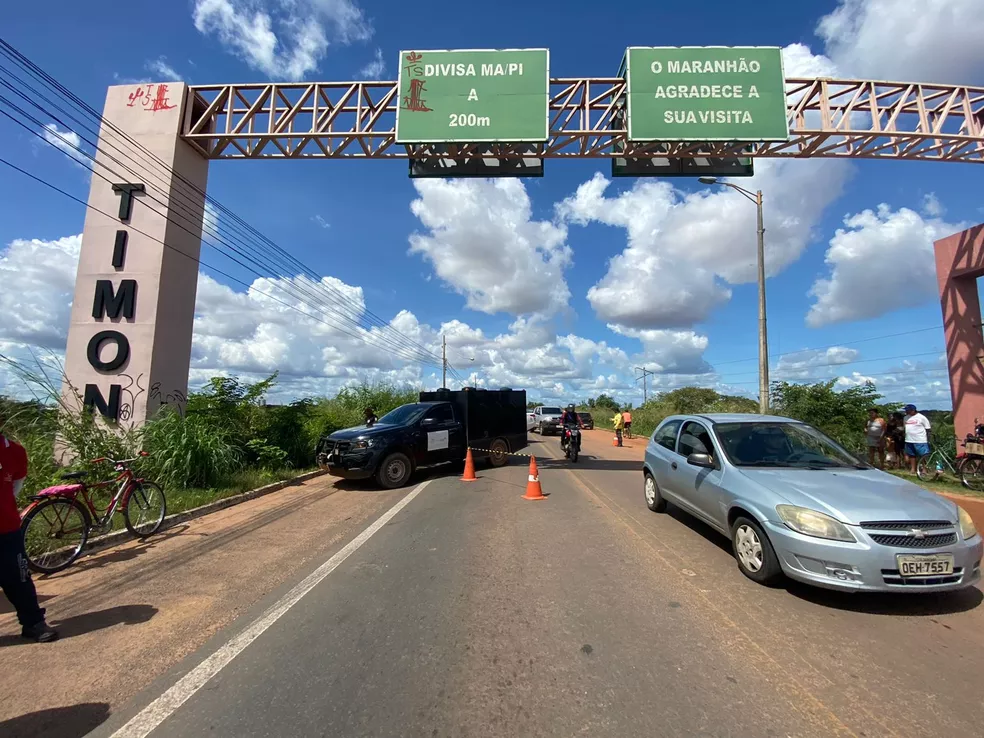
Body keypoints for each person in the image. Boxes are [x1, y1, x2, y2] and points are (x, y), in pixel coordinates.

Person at [0, 427, 58, 642]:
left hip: (6, 530)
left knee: (20, 579)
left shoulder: (14, 452)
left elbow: (15, 486)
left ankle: (34, 624)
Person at [903, 404, 932, 474]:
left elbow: (928, 429)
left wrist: (927, 439)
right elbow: (905, 427)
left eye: (908, 410)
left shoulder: (921, 417)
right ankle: (913, 469)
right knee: (911, 455)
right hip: (909, 439)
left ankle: (924, 469)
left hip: (920, 440)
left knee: (923, 455)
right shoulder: (906, 418)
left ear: (913, 410)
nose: (906, 411)